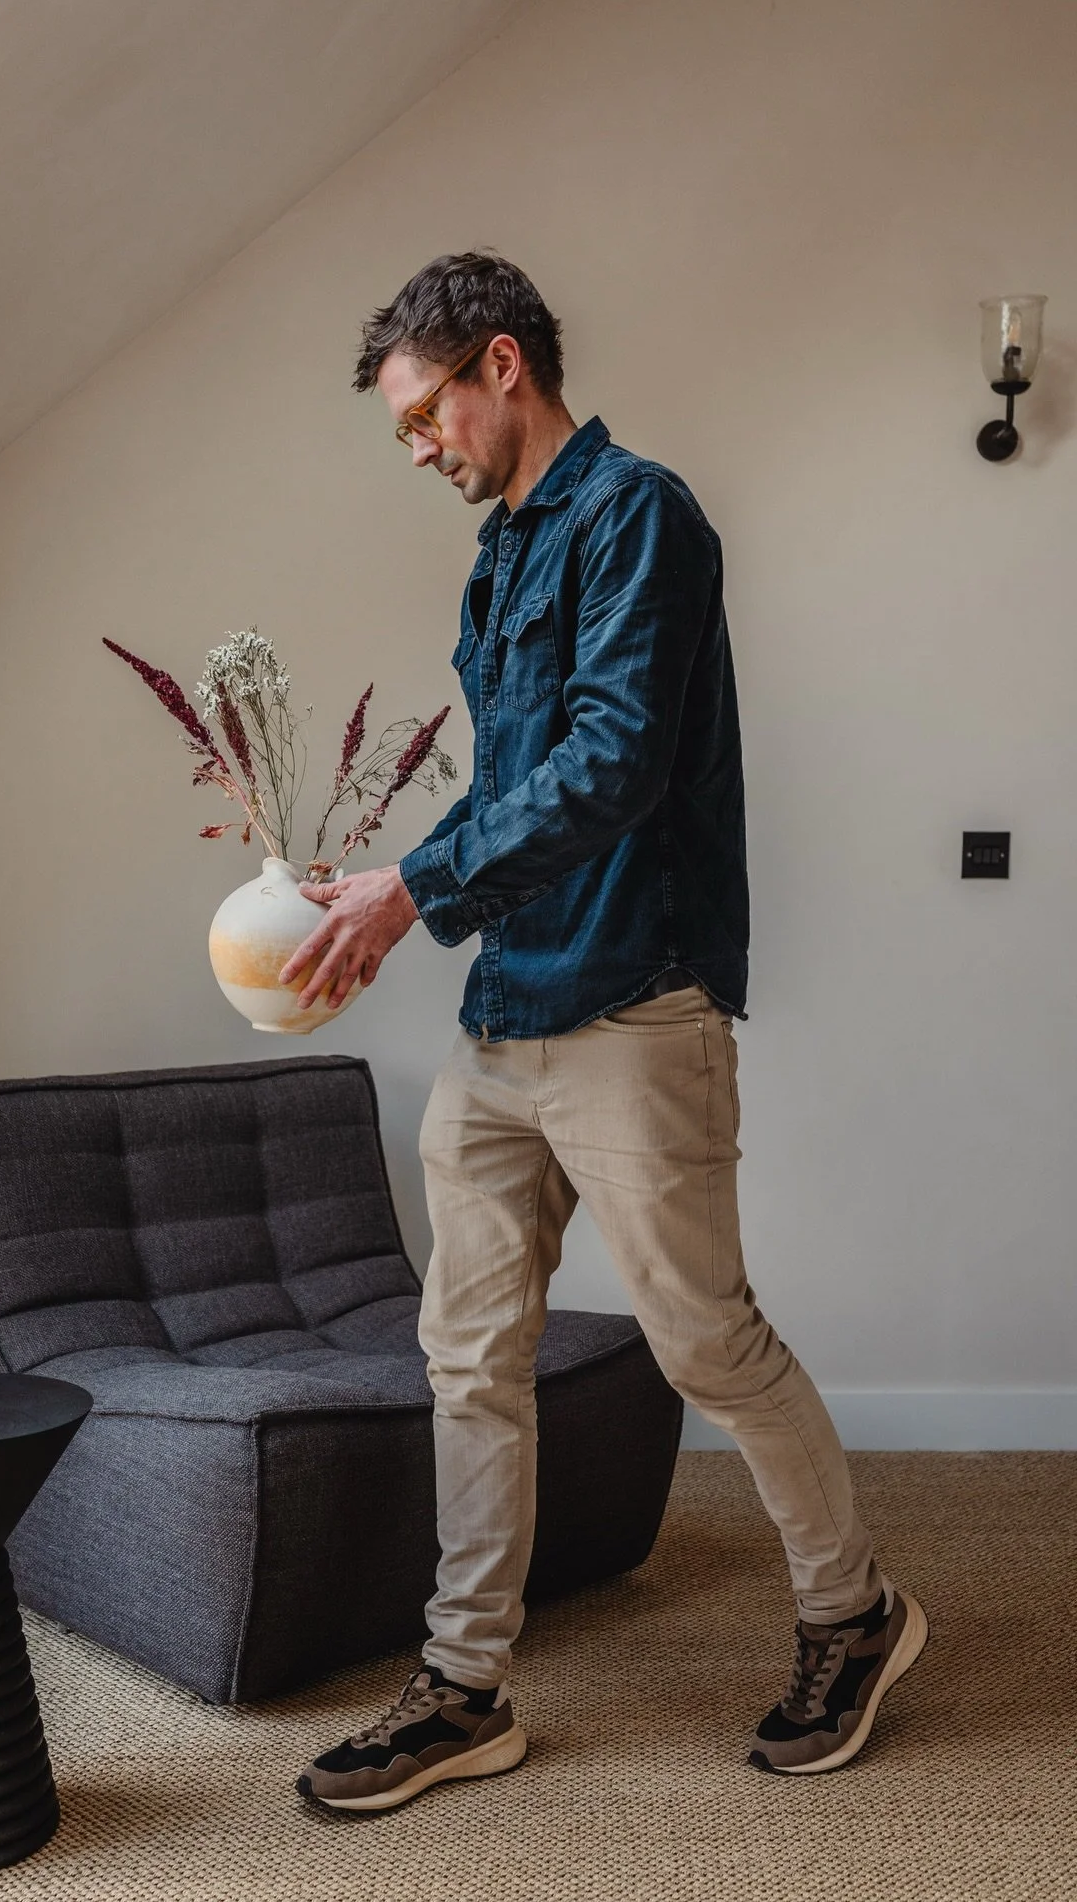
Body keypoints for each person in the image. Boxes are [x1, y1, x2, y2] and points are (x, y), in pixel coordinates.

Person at [281, 251, 927, 1813]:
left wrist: (407, 889)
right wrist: (388, 894)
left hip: (638, 995)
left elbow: (617, 761)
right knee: (467, 1352)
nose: (419, 446)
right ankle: (463, 1686)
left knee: (706, 1335)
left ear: (501, 366)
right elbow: (514, 797)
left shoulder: (644, 515)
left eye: (424, 411)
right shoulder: (497, 562)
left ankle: (857, 1614)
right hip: (506, 1006)